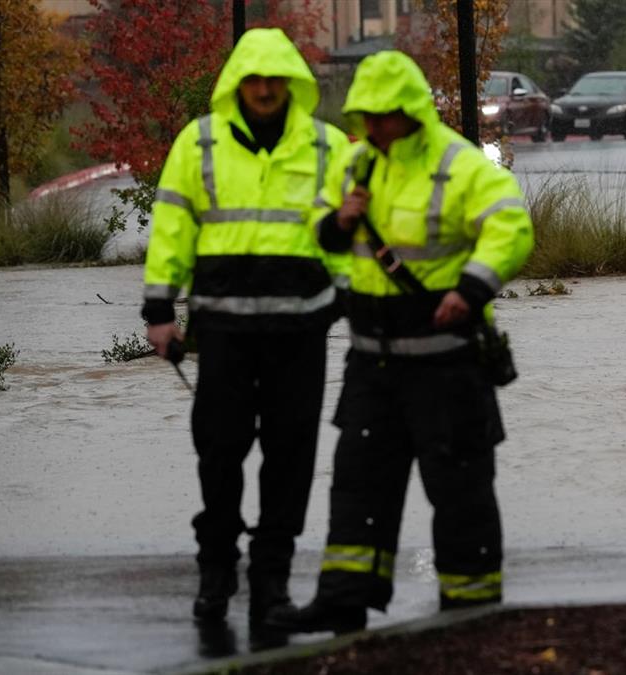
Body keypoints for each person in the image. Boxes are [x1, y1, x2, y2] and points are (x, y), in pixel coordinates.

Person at [266, 50, 534, 634]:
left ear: (411, 110)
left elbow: (510, 224)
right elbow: (320, 236)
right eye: (367, 116)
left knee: (461, 491)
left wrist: (472, 287)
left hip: (448, 367)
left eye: (386, 115)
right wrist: (338, 222)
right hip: (372, 365)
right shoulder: (355, 164)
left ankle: (471, 605)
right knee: (357, 489)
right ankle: (343, 600)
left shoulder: (458, 164)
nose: (376, 126)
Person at [141, 28, 349, 631]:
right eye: (253, 79)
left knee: (290, 459)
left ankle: (271, 587)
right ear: (238, 83)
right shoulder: (198, 142)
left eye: (273, 79)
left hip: (300, 332)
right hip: (224, 332)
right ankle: (216, 574)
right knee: (219, 453)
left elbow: (351, 233)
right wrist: (159, 311)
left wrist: (346, 300)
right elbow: (173, 226)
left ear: (290, 84)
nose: (263, 89)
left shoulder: (327, 145)